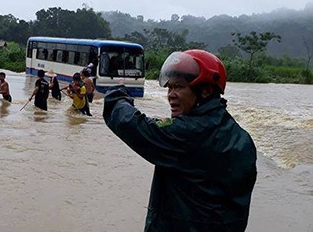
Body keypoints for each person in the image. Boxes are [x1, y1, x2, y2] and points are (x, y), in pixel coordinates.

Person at [103, 49, 257, 231]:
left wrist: (117, 97)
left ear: (206, 91)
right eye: (169, 87)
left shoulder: (188, 133)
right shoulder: (242, 138)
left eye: (179, 87)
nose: (170, 95)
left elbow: (133, 125)